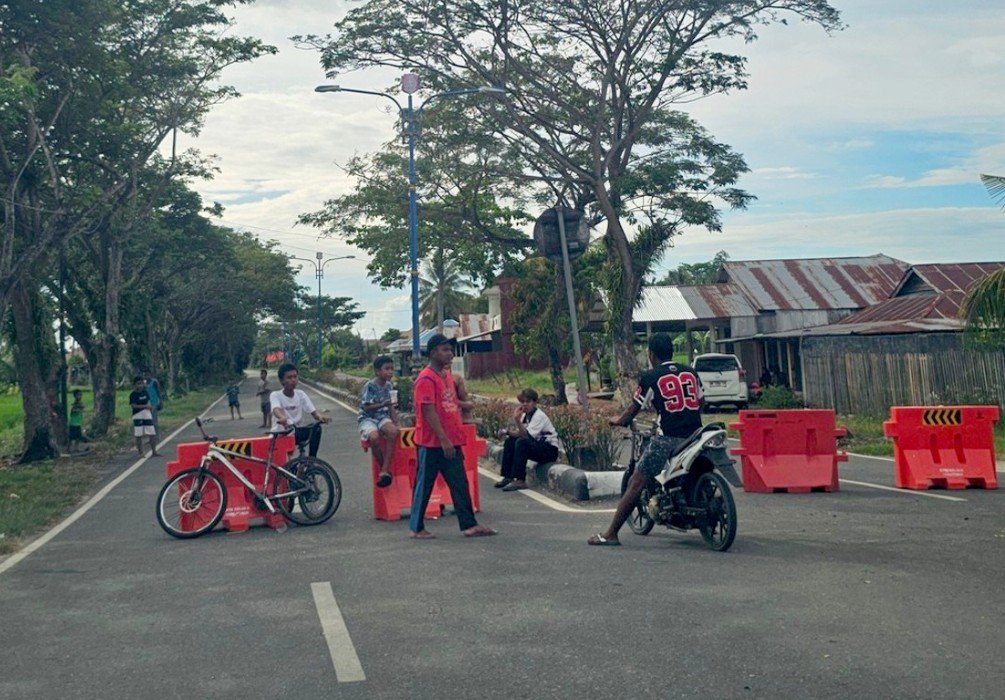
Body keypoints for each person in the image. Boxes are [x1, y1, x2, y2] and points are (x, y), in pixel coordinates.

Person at [588, 333, 703, 546]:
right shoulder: (690, 372)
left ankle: (611, 533)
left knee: (636, 482)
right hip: (696, 436)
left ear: (651, 354)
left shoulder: (651, 377)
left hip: (668, 439)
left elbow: (633, 409)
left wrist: (618, 420)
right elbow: (700, 401)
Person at [409, 334, 496, 540]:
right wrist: (443, 439)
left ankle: (469, 525)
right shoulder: (426, 379)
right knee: (425, 484)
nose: (449, 354)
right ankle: (416, 527)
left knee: (459, 482)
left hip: (451, 440)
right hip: (433, 443)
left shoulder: (446, 376)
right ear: (432, 353)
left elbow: (451, 405)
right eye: (444, 350)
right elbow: (428, 411)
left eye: (450, 350)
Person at [495, 388, 559, 492]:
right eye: (523, 402)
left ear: (534, 402)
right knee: (510, 441)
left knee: (522, 442)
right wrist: (506, 432)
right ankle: (508, 476)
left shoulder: (539, 416)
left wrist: (516, 420)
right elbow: (520, 433)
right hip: (537, 445)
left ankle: (520, 480)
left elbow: (525, 435)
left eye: (528, 402)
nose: (525, 405)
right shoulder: (525, 415)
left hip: (549, 450)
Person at [270, 363, 330, 457]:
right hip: (281, 434)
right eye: (289, 378)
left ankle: (312, 460)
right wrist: (282, 418)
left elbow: (314, 412)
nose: (293, 380)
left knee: (316, 428)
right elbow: (276, 409)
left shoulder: (300, 394)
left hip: (296, 432)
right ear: (281, 380)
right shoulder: (275, 395)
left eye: (295, 377)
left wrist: (320, 417)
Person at [359, 355, 400, 487]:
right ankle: (383, 467)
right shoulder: (370, 386)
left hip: (382, 416)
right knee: (374, 437)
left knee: (393, 432)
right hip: (368, 417)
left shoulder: (389, 385)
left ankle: (384, 470)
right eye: (386, 369)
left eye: (392, 369)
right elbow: (366, 406)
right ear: (377, 371)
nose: (390, 372)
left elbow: (391, 405)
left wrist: (395, 422)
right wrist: (383, 404)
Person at [129, 375, 159, 457]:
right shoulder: (133, 395)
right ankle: (141, 452)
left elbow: (148, 401)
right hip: (137, 415)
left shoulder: (145, 392)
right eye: (138, 383)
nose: (140, 385)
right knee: (139, 434)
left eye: (142, 383)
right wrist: (145, 406)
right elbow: (134, 406)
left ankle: (154, 451)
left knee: (152, 432)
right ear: (134, 385)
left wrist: (149, 407)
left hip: (147, 414)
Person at [144, 369, 163, 437]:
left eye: (147, 375)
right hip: (147, 404)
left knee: (154, 420)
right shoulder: (144, 384)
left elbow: (158, 392)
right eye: (145, 375)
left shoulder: (154, 382)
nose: (146, 376)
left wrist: (160, 401)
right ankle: (151, 436)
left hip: (155, 403)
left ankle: (157, 435)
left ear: (150, 374)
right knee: (149, 420)